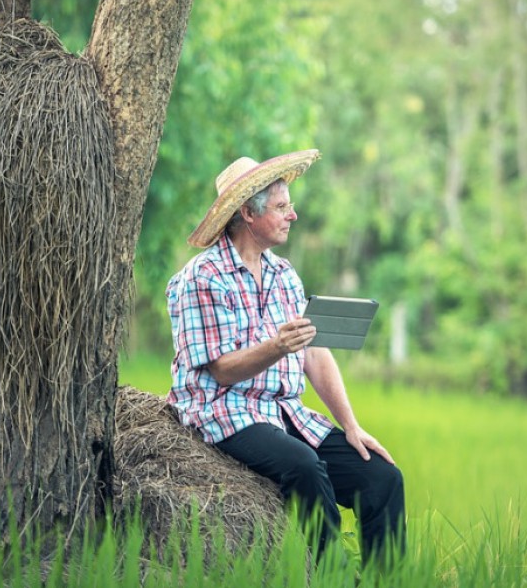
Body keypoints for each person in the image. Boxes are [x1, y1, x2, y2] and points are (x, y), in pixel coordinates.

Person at [166, 149, 405, 564]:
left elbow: (314, 353)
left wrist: (351, 426)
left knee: (382, 477)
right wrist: (277, 346)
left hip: (282, 412)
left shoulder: (284, 274)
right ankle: (334, 576)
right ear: (248, 213)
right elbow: (221, 372)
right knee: (304, 466)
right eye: (281, 207)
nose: (292, 215)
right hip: (224, 411)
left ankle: (392, 579)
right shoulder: (201, 278)